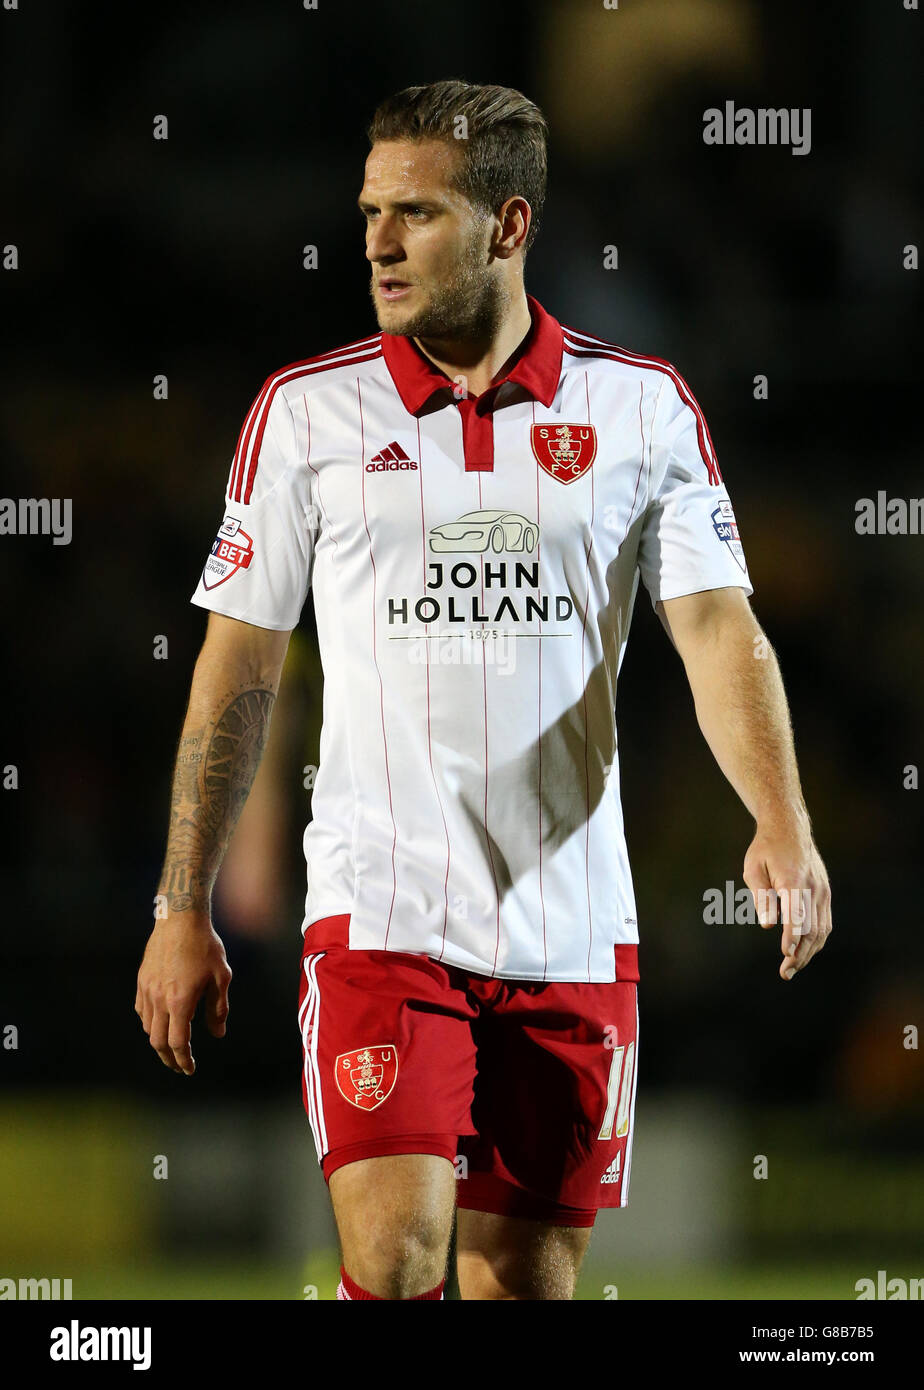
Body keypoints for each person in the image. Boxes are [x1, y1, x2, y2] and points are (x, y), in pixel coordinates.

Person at [135, 78, 832, 1301]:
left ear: (511, 226)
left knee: (522, 1283)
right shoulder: (306, 416)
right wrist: (179, 899)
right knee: (395, 1253)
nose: (378, 243)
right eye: (367, 212)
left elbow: (721, 630)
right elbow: (236, 666)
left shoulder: (640, 409)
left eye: (416, 213)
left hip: (571, 925)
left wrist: (782, 819)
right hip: (381, 917)